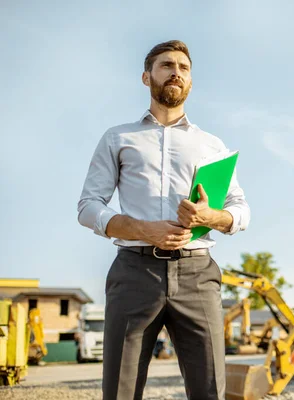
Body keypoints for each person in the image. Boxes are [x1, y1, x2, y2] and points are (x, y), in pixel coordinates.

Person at [77, 40, 250, 400]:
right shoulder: (118, 138)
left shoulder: (212, 144)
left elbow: (240, 210)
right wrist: (143, 229)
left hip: (198, 275)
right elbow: (89, 207)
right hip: (133, 273)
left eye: (184, 68)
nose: (176, 72)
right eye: (166, 65)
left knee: (210, 391)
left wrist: (210, 215)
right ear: (146, 77)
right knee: (120, 391)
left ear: (190, 82)